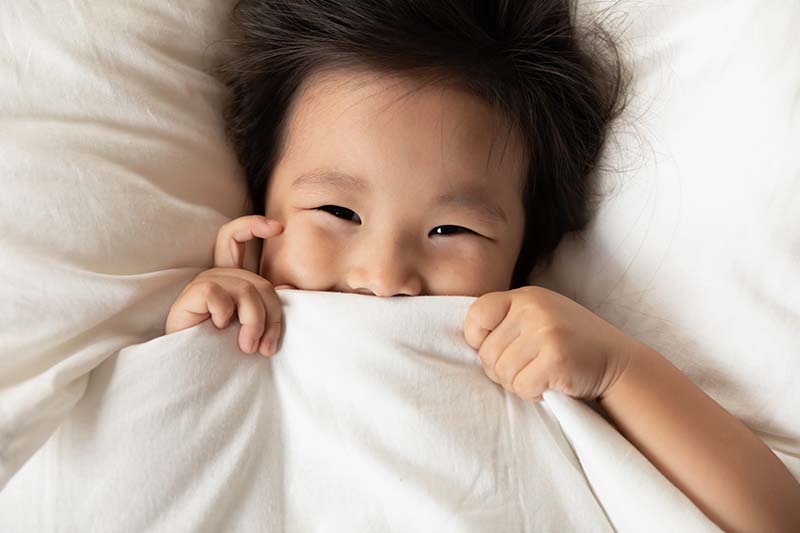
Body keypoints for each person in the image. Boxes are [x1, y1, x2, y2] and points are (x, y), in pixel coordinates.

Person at [165, 1, 800, 529]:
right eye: (337, 211)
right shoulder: (241, 332)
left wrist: (617, 370)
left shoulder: (535, 358)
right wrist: (196, 346)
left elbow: (773, 518)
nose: (385, 279)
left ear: (524, 254)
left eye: (451, 229)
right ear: (258, 204)